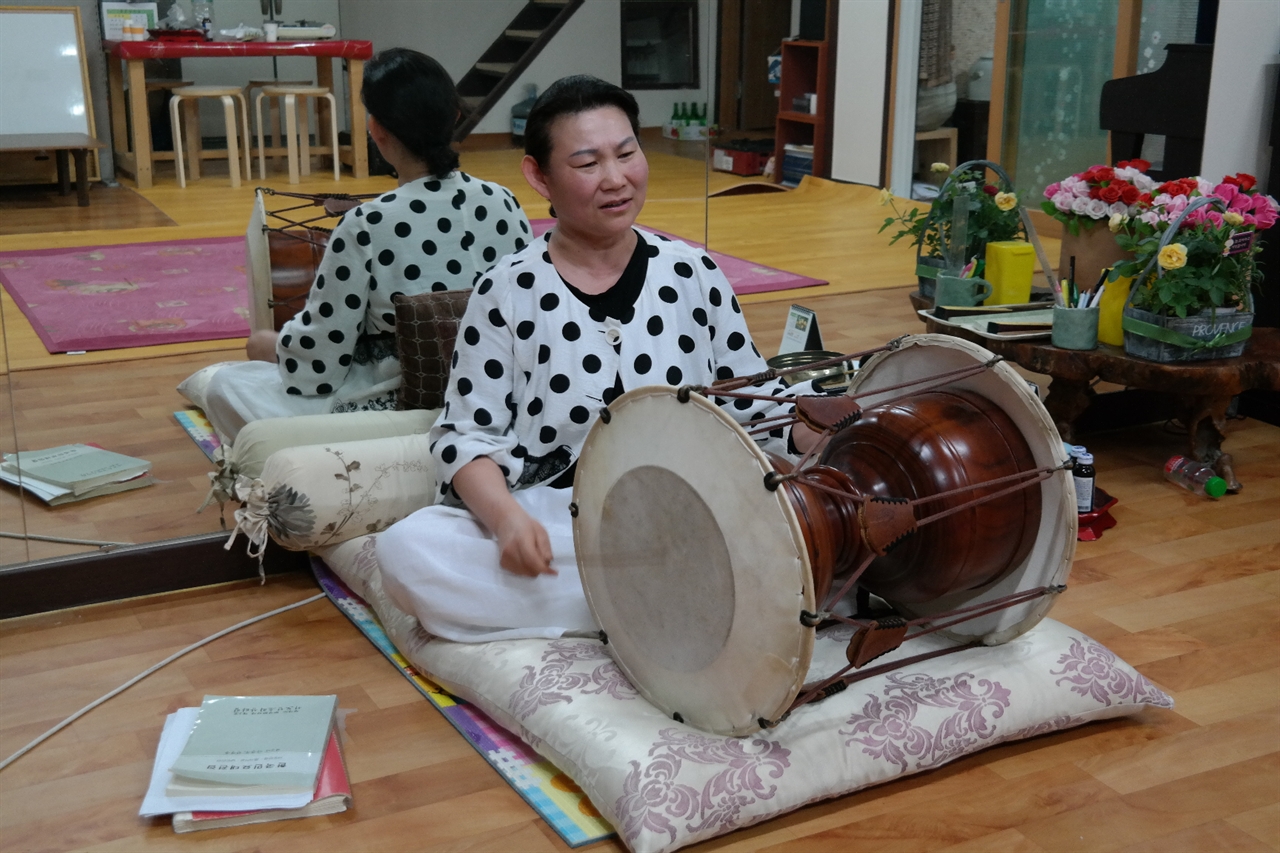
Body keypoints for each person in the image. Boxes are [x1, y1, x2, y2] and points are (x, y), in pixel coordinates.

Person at [377, 75, 818, 643]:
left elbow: (754, 401)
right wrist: (509, 522)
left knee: (797, 526)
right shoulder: (507, 290)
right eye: (587, 164)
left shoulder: (693, 274)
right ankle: (678, 603)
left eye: (627, 153)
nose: (616, 179)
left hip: (692, 515)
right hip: (564, 524)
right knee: (408, 551)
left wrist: (820, 428)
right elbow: (463, 436)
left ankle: (649, 600)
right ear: (540, 177)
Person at [204, 48, 531, 442]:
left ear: (377, 131)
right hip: (496, 399)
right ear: (456, 118)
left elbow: (317, 370)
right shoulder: (505, 201)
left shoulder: (367, 224)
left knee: (224, 382)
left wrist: (274, 348)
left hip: (401, 412)